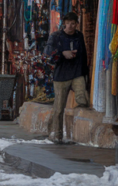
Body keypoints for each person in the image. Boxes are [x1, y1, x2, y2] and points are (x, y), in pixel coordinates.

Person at [44, 12, 89, 143]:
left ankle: (80, 132)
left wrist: (86, 74)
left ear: (77, 24)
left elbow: (84, 55)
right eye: (68, 23)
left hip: (77, 74)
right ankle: (56, 134)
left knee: (82, 99)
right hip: (61, 76)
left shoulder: (79, 36)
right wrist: (62, 53)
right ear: (64, 23)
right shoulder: (56, 36)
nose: (70, 26)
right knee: (59, 108)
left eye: (73, 23)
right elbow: (47, 54)